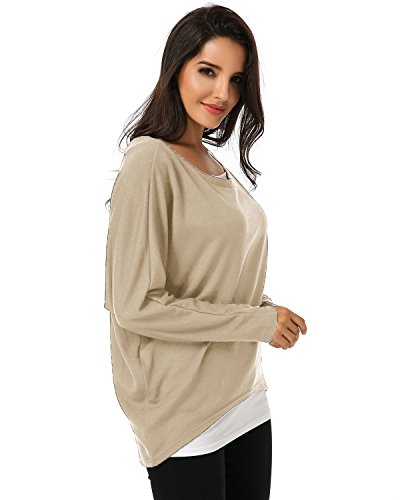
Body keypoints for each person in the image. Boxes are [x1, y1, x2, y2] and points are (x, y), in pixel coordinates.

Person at [104, 4, 307, 499]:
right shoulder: (150, 161)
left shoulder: (212, 164)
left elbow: (210, 281)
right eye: (208, 72)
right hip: (183, 411)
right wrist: (257, 322)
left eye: (235, 79)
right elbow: (135, 304)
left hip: (245, 395)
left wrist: (266, 312)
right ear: (176, 68)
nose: (223, 94)